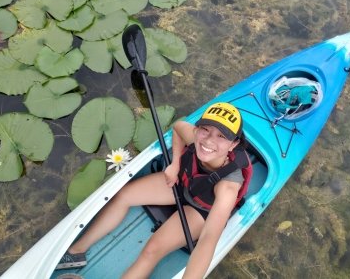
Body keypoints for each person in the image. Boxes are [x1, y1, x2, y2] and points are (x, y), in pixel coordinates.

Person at [56, 102, 252, 278]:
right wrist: (175, 164)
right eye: (205, 130)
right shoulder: (195, 138)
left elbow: (208, 240)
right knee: (124, 195)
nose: (209, 141)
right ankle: (76, 252)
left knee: (152, 249)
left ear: (233, 144)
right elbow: (177, 128)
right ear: (198, 129)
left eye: (221, 136)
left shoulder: (228, 186)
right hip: (182, 184)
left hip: (201, 209)